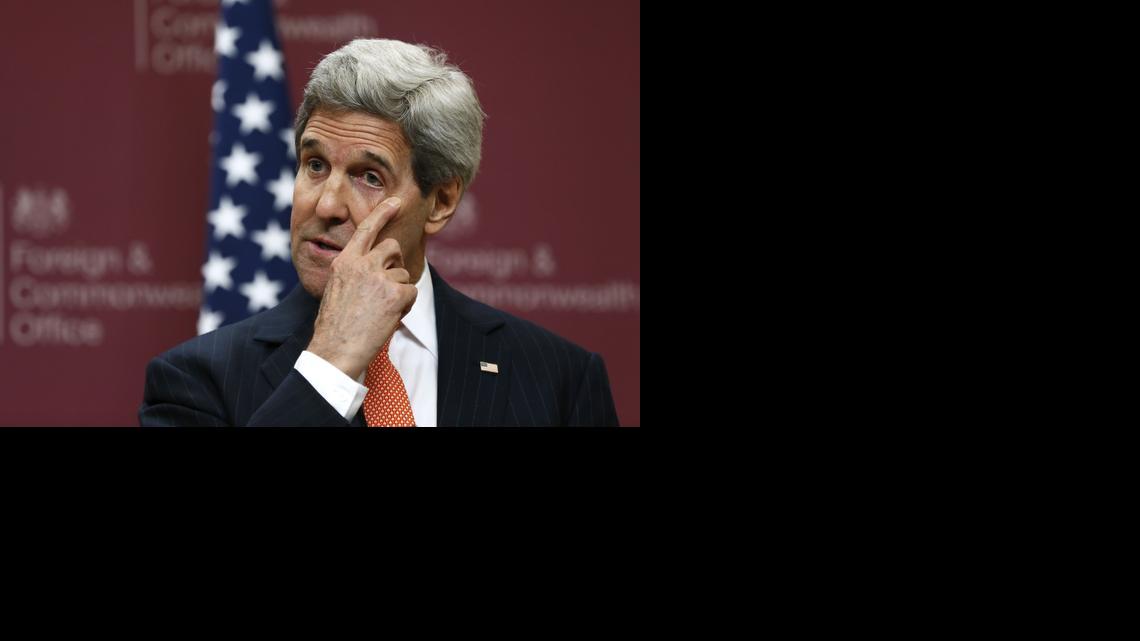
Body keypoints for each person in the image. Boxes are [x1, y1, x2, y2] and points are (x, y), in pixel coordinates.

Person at [139, 38, 619, 427]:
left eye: (370, 176)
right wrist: (329, 365)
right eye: (315, 164)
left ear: (442, 201)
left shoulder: (558, 379)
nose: (326, 205)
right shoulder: (195, 381)